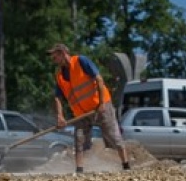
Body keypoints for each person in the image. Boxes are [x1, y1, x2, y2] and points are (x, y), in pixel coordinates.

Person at [48, 43, 130, 173]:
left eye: (55, 57)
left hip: (100, 106)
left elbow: (99, 79)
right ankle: (79, 171)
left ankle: (126, 166)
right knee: (79, 140)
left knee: (113, 137)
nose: (53, 61)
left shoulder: (81, 61)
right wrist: (60, 116)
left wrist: (102, 103)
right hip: (81, 113)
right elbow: (57, 97)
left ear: (63, 53)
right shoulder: (59, 76)